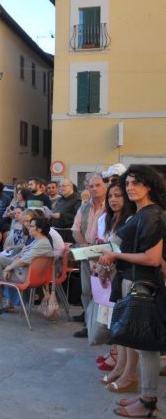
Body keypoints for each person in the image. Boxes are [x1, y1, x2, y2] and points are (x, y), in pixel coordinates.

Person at [98, 165, 165, 418]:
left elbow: (152, 258)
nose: (130, 188)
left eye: (136, 183)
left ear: (149, 185)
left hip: (145, 286)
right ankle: (145, 395)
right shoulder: (142, 213)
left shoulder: (152, 215)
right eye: (127, 183)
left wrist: (115, 255)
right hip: (135, 282)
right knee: (140, 345)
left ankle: (148, 403)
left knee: (146, 347)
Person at [95, 182, 137, 394]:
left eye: (118, 195)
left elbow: (121, 250)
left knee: (126, 326)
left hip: (129, 276)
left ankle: (129, 372)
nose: (113, 199)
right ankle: (120, 366)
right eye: (111, 196)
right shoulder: (113, 219)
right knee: (118, 324)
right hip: (117, 275)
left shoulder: (133, 218)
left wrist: (107, 263)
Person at [0, 217, 55, 318]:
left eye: (32, 226)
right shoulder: (37, 241)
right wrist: (10, 267)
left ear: (40, 229)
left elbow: (24, 260)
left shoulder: (42, 243)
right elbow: (21, 257)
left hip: (26, 275)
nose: (29, 227)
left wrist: (8, 268)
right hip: (23, 270)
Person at [72, 172, 108, 338]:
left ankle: (105, 329)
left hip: (106, 255)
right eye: (91, 186)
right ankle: (89, 325)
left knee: (105, 292)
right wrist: (86, 249)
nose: (94, 188)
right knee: (86, 291)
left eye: (98, 185)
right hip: (87, 253)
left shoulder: (112, 206)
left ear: (105, 186)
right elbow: (76, 230)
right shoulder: (84, 207)